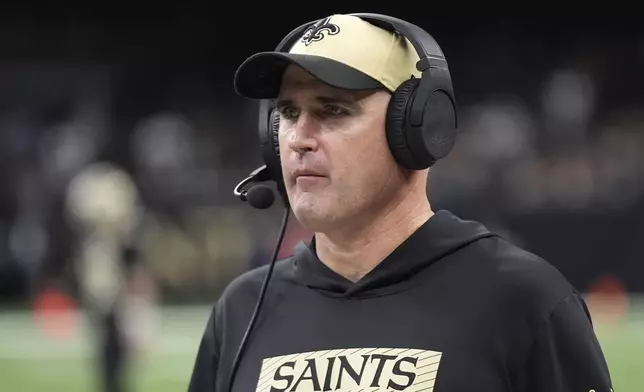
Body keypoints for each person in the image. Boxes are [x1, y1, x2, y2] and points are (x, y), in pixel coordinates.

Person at [188, 14, 614, 392]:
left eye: (333, 110)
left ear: (419, 127)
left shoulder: (523, 301)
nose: (298, 138)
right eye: (287, 112)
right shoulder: (241, 309)